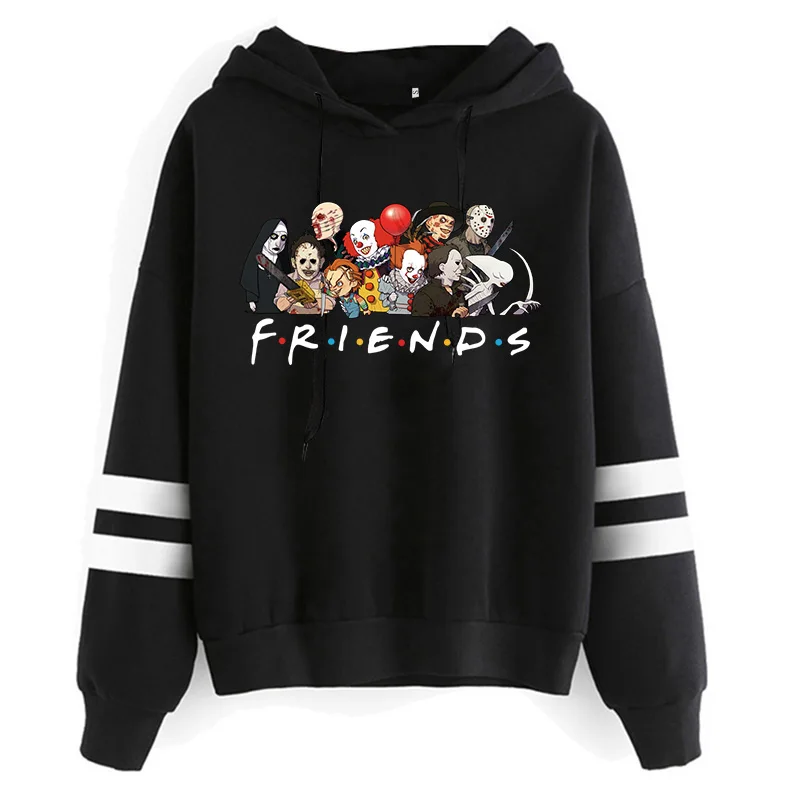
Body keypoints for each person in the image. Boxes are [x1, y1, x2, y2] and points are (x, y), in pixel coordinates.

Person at [274, 235, 335, 314]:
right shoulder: (288, 279)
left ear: (321, 262)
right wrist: (290, 300)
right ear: (294, 262)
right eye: (302, 261)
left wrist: (315, 302)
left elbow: (331, 304)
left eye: (313, 261)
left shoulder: (326, 279)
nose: (308, 266)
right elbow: (280, 306)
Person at [240, 218, 288, 312]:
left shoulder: (281, 262)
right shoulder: (256, 258)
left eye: (283, 238)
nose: (278, 243)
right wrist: (251, 299)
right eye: (274, 236)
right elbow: (249, 278)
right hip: (259, 304)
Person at [411, 245, 469, 317]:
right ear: (442, 267)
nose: (462, 267)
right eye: (457, 263)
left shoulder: (458, 293)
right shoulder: (424, 295)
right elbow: (420, 322)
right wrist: (453, 319)